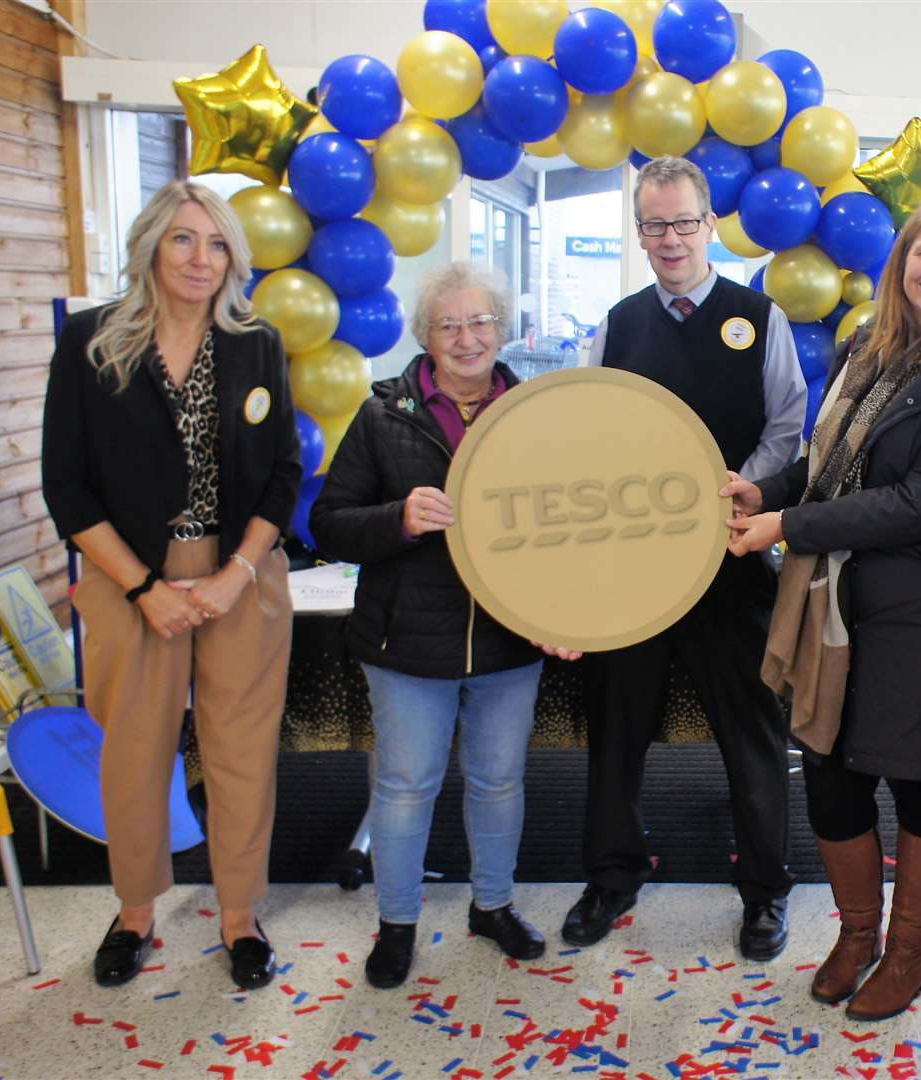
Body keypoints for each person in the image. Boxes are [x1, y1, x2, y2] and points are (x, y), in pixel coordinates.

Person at [723, 197, 921, 1020]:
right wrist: (768, 491)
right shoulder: (868, 345)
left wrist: (788, 524)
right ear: (901, 262)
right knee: (829, 769)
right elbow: (829, 459)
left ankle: (907, 949)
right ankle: (857, 935)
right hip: (840, 595)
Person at [41, 180, 300, 990]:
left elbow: (284, 473)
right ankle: (135, 909)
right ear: (151, 245)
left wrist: (236, 574)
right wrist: (144, 588)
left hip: (239, 574)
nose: (201, 259)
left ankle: (237, 914)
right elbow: (66, 485)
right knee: (136, 751)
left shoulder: (255, 343)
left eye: (218, 243)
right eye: (185, 239)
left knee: (241, 751)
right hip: (128, 578)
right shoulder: (91, 343)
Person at [562, 156, 807, 960]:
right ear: (639, 232)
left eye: (682, 222)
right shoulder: (617, 323)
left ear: (709, 223)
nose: (669, 239)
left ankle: (766, 891)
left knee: (752, 731)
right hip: (633, 568)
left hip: (729, 561)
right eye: (653, 225)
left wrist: (754, 488)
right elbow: (590, 431)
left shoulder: (756, 315)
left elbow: (786, 425)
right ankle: (611, 874)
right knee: (616, 723)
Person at [309, 262, 554, 989]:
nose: (466, 337)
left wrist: (568, 608)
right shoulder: (383, 414)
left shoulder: (538, 413)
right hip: (406, 642)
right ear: (425, 337)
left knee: (498, 782)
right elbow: (328, 524)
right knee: (406, 785)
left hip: (510, 635)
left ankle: (493, 906)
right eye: (448, 325)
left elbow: (570, 527)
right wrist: (397, 518)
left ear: (502, 330)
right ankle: (397, 923)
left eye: (479, 322)